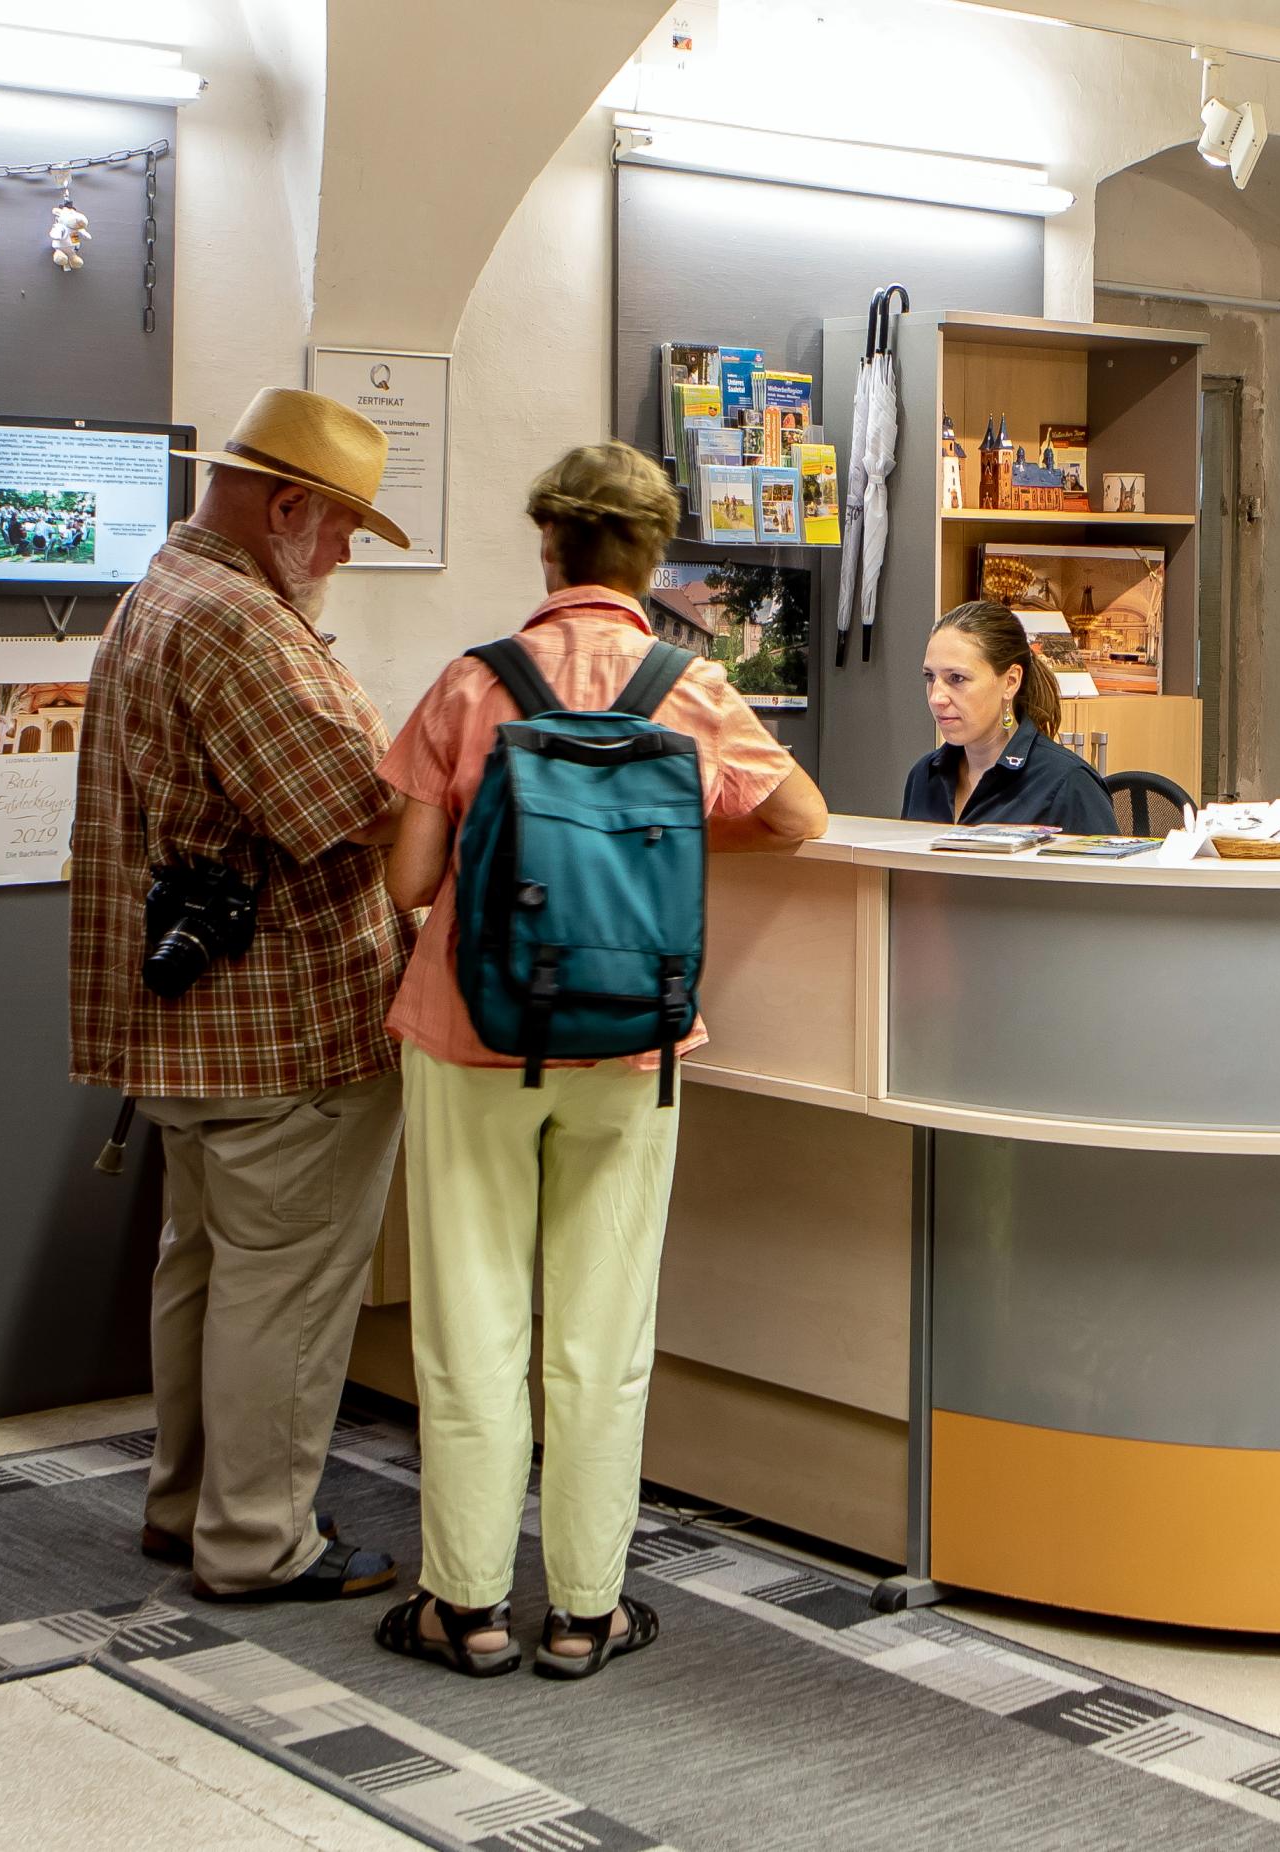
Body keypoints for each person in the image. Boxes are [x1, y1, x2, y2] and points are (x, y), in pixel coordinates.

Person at [373, 441, 827, 1679]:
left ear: (548, 546)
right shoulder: (693, 687)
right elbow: (798, 819)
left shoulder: (474, 682)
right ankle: (585, 1611)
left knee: (469, 1331)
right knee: (601, 1337)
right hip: (633, 1038)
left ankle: (464, 1606)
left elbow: (409, 878)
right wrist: (658, 840)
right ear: (649, 554)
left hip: (472, 1030)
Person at [69, 386, 418, 1604]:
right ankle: (258, 1540)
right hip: (284, 1026)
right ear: (285, 509)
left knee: (206, 1269)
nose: (343, 554)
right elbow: (356, 810)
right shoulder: (245, 626)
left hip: (192, 1027)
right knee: (287, 1289)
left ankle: (188, 1507)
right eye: (343, 528)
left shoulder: (162, 589)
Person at [901, 600, 1116, 832]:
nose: (936, 698)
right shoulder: (924, 776)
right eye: (930, 677)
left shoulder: (1069, 783)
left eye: (957, 678)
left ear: (1011, 682)